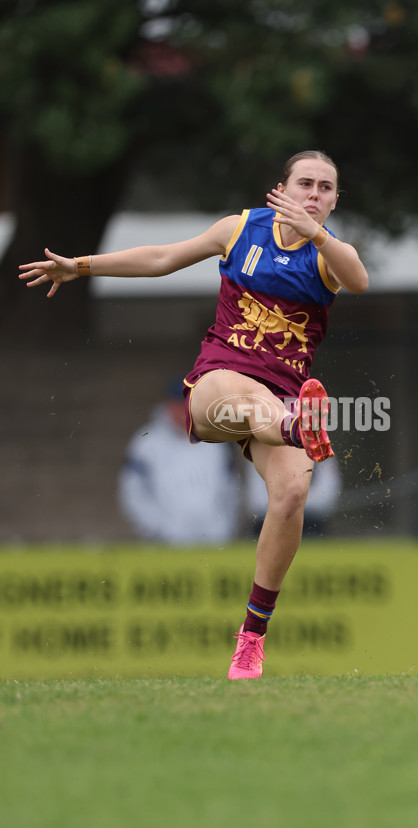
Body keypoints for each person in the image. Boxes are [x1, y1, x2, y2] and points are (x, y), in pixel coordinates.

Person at [18, 150, 369, 680]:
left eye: (326, 188)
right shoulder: (241, 229)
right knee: (249, 403)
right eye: (305, 184)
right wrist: (82, 266)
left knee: (293, 492)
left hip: (281, 398)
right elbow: (162, 257)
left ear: (335, 200)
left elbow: (359, 280)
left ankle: (251, 637)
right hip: (218, 386)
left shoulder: (330, 254)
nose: (314, 194)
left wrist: (319, 236)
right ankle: (297, 427)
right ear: (283, 188)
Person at [118, 384, 242, 545]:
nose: (182, 411)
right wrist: (157, 529)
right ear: (168, 405)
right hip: (167, 542)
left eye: (188, 404)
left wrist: (225, 526)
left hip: (215, 539)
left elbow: (231, 488)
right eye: (178, 405)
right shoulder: (147, 442)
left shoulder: (215, 440)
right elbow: (133, 491)